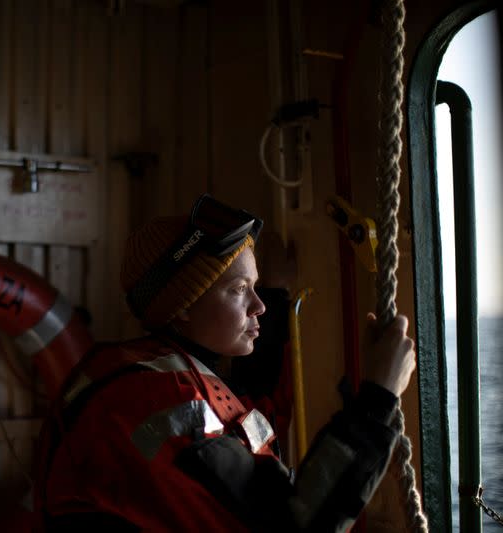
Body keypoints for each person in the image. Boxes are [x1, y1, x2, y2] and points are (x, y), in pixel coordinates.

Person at [33, 194, 417, 532]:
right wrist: (377, 398)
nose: (259, 305)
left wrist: (278, 296)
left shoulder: (155, 369)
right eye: (239, 290)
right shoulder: (161, 399)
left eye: (255, 286)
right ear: (181, 307)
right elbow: (291, 525)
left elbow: (252, 419)